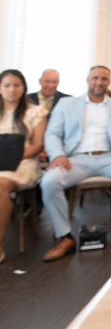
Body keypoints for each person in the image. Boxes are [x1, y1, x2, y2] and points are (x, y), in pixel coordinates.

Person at [40, 66, 111, 262]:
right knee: (49, 182)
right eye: (95, 78)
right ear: (87, 79)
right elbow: (52, 133)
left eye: (104, 79)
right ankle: (65, 237)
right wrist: (58, 155)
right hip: (75, 160)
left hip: (109, 159)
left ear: (108, 81)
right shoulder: (67, 104)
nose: (99, 82)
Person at [0, 70, 47, 264]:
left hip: (23, 162)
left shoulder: (35, 112)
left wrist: (11, 156)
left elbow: (37, 145)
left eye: (17, 85)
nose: (12, 90)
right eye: (7, 85)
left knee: (1, 186)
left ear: (24, 87)